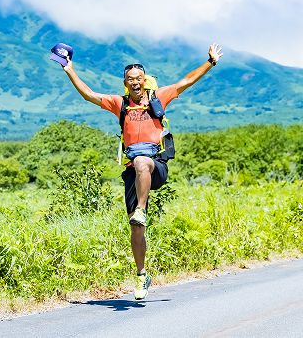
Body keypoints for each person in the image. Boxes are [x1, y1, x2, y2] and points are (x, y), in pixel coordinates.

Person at [61, 43, 223, 300]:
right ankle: (141, 274)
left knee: (142, 162)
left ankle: (141, 208)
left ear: (144, 80)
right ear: (125, 83)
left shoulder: (159, 98)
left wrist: (210, 62)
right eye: (130, 79)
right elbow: (89, 95)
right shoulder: (120, 104)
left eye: (139, 78)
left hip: (155, 165)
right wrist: (69, 69)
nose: (135, 82)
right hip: (132, 173)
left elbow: (187, 81)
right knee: (136, 229)